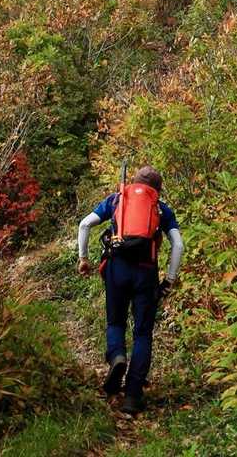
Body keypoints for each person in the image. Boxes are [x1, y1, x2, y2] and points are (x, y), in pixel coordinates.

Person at [76, 165, 183, 415]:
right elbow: (178, 245)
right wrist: (169, 279)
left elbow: (84, 225)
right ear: (157, 190)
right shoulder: (161, 209)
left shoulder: (116, 200)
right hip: (145, 273)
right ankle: (133, 395)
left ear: (134, 182)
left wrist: (83, 258)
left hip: (117, 269)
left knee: (116, 322)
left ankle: (117, 357)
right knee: (143, 333)